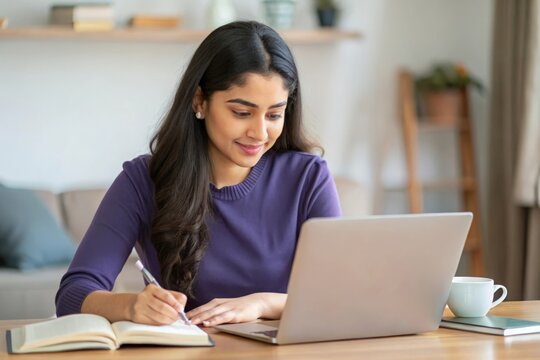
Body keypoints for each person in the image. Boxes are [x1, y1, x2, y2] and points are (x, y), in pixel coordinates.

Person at [55, 21, 341, 328]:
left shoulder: (307, 178)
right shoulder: (142, 181)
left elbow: (339, 296)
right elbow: (73, 295)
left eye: (274, 114)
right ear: (199, 101)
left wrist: (260, 303)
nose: (260, 132)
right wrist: (131, 306)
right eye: (241, 112)